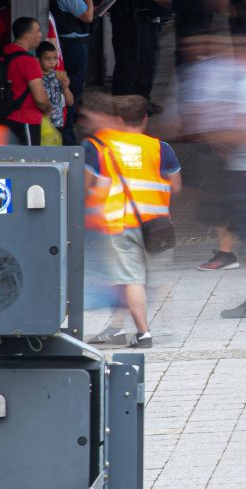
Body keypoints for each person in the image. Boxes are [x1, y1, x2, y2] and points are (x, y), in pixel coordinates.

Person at [85, 94, 181, 348]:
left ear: (118, 119)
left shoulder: (106, 148)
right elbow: (176, 185)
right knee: (155, 276)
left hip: (121, 223)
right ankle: (165, 325)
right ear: (145, 118)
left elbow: (97, 187)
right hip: (158, 224)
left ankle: (144, 333)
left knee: (131, 279)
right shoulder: (161, 148)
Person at [51, 0, 95, 143]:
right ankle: (67, 136)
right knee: (72, 91)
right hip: (73, 45)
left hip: (69, 43)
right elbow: (88, 15)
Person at [0, 17, 51, 146]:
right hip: (26, 119)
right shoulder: (29, 61)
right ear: (27, 36)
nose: (41, 35)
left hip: (3, 117)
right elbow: (40, 99)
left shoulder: (3, 54)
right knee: (29, 162)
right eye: (37, 31)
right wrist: (48, 109)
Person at [37, 41, 73, 145]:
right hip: (43, 124)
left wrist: (66, 88)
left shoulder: (59, 77)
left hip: (58, 123)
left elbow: (70, 102)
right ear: (38, 59)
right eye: (48, 59)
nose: (52, 62)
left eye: (54, 58)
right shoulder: (36, 78)